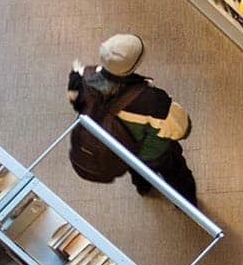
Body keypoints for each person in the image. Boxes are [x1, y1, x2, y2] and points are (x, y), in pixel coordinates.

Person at [67, 33, 198, 205]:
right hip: (155, 154)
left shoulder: (80, 78)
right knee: (176, 174)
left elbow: (75, 103)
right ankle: (186, 203)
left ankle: (143, 188)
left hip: (121, 149)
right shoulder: (152, 101)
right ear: (134, 65)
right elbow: (182, 129)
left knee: (136, 169)